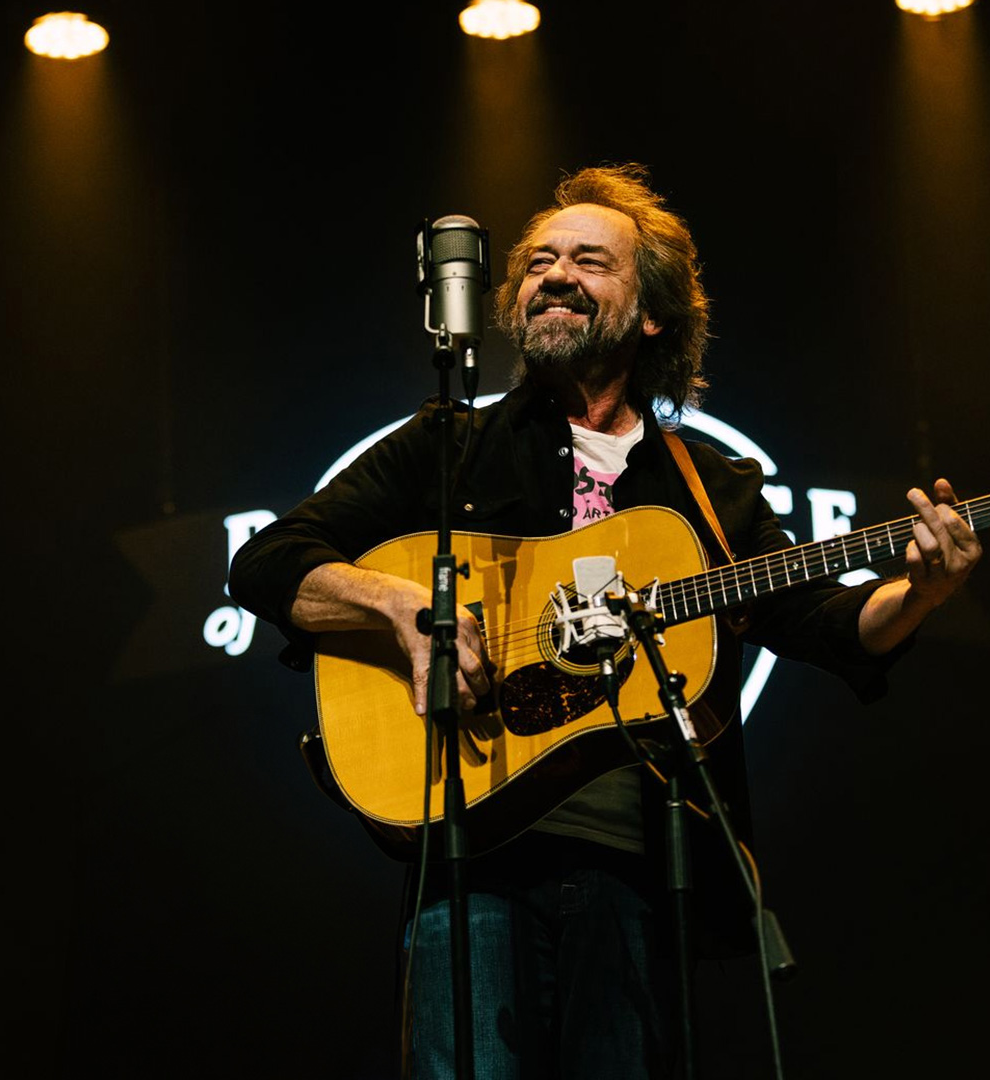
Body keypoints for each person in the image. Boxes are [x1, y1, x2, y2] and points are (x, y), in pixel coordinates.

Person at [227, 163, 982, 1078]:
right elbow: (266, 564)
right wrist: (401, 603)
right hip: (472, 857)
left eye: (590, 261)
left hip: (639, 867)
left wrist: (925, 593)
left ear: (652, 312)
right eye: (539, 260)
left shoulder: (713, 485)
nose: (554, 274)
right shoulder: (449, 445)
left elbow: (824, 623)